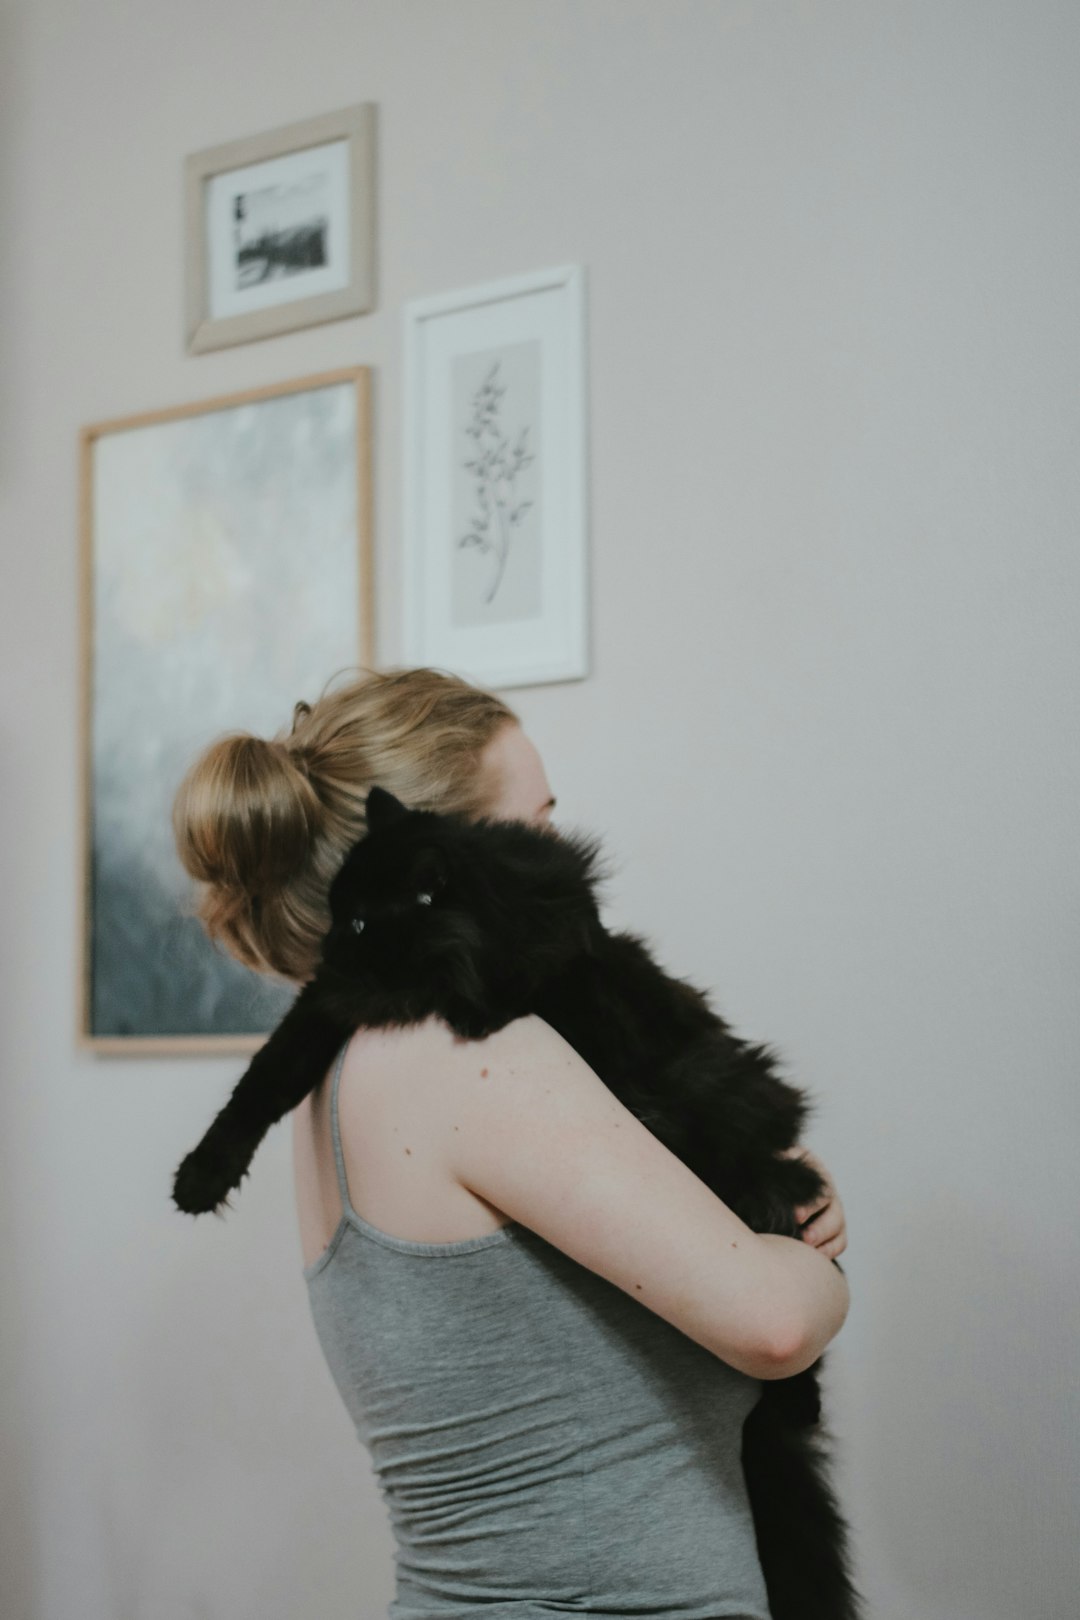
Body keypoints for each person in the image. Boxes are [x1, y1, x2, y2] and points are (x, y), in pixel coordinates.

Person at [173, 664, 849, 1620]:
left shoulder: (344, 1073)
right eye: (534, 826)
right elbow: (772, 1324)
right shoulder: (464, 1053)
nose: (562, 856)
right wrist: (812, 1258)